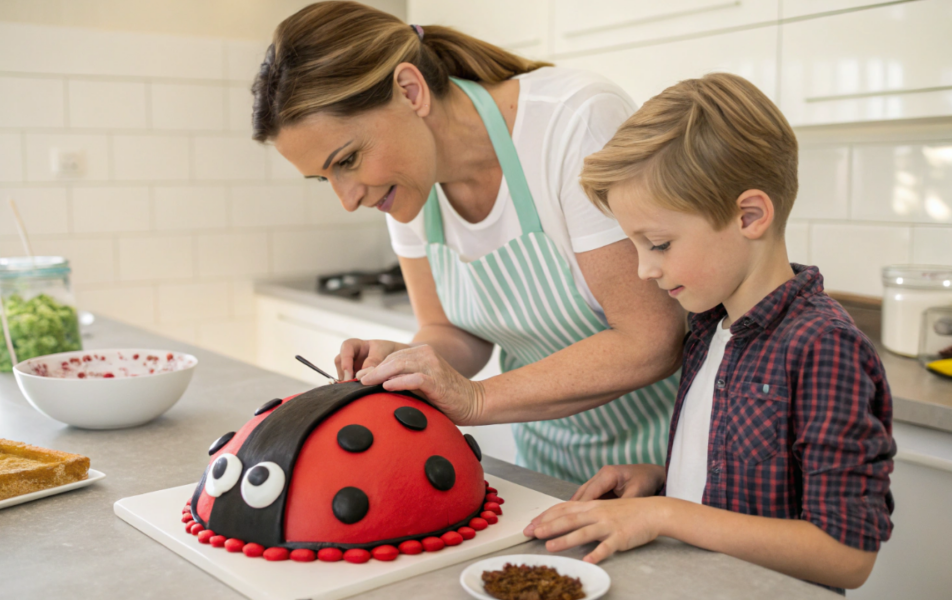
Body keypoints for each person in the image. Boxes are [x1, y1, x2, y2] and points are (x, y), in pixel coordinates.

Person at [252, 1, 685, 484]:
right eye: (323, 178)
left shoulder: (573, 122)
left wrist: (475, 398)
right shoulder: (407, 185)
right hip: (544, 463)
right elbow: (450, 329)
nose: (348, 199)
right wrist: (405, 362)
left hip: (667, 461)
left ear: (410, 91)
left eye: (348, 160)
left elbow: (652, 340)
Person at [524, 73, 894, 592]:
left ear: (749, 216)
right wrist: (661, 479)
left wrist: (665, 514)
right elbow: (746, 481)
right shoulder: (707, 327)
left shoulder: (823, 347)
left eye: (658, 243)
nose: (643, 270)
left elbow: (845, 555)